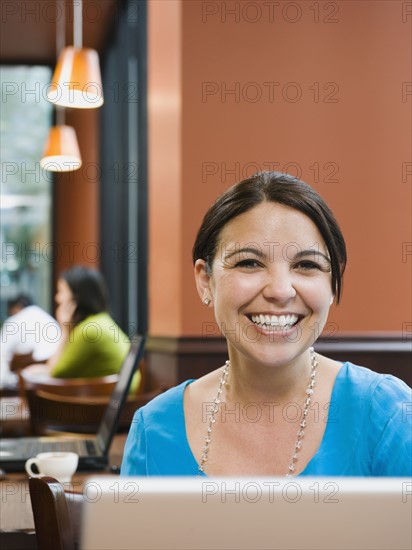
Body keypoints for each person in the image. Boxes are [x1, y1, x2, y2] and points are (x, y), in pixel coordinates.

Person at [121, 171, 412, 477]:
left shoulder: (386, 414)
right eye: (249, 262)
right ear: (205, 280)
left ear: (333, 284)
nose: (280, 290)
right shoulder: (154, 429)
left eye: (306, 265)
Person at [46, 265, 141, 392]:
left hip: (105, 406)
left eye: (61, 291)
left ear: (76, 297)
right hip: (118, 401)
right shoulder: (100, 321)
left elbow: (54, 373)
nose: (57, 298)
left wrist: (65, 330)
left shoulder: (89, 330)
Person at [0, 295, 60, 388]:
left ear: (17, 307)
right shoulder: (44, 317)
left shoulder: (14, 321)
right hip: (57, 376)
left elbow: (2, 353)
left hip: (39, 378)